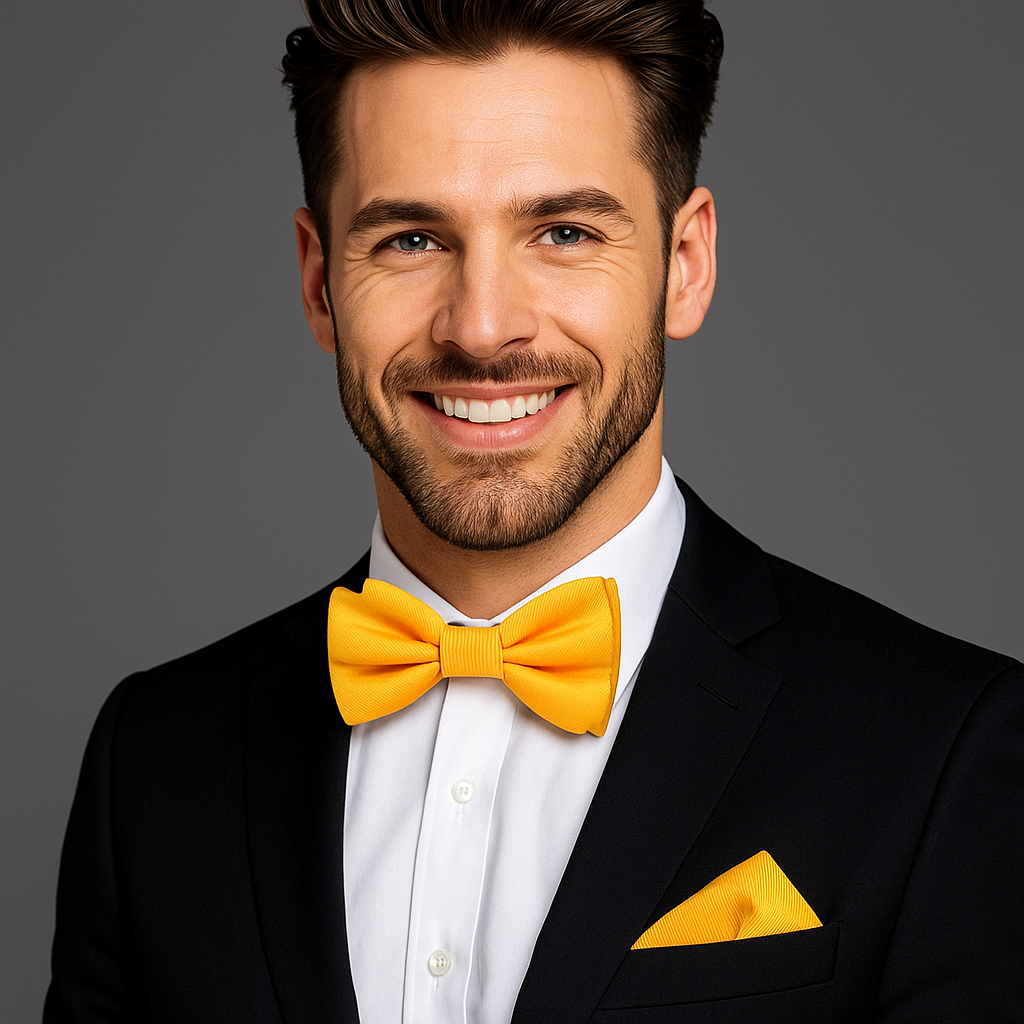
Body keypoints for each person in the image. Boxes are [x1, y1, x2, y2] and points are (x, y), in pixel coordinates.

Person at [44, 1, 1022, 1021]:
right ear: (318, 283)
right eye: (412, 238)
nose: (482, 328)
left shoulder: (943, 752)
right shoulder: (150, 761)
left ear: (683, 265)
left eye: (562, 231)